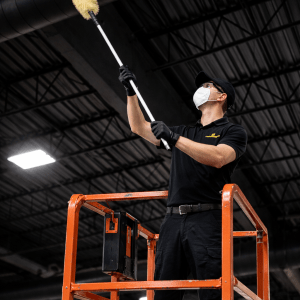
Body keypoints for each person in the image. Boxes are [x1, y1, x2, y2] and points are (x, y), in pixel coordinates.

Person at [118, 66, 247, 300]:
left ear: (222, 96)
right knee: (164, 290)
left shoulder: (233, 131)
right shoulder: (183, 131)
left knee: (212, 289)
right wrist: (130, 92)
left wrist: (175, 139)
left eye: (207, 86)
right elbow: (139, 127)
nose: (200, 89)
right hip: (172, 219)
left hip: (207, 220)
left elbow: (218, 158)